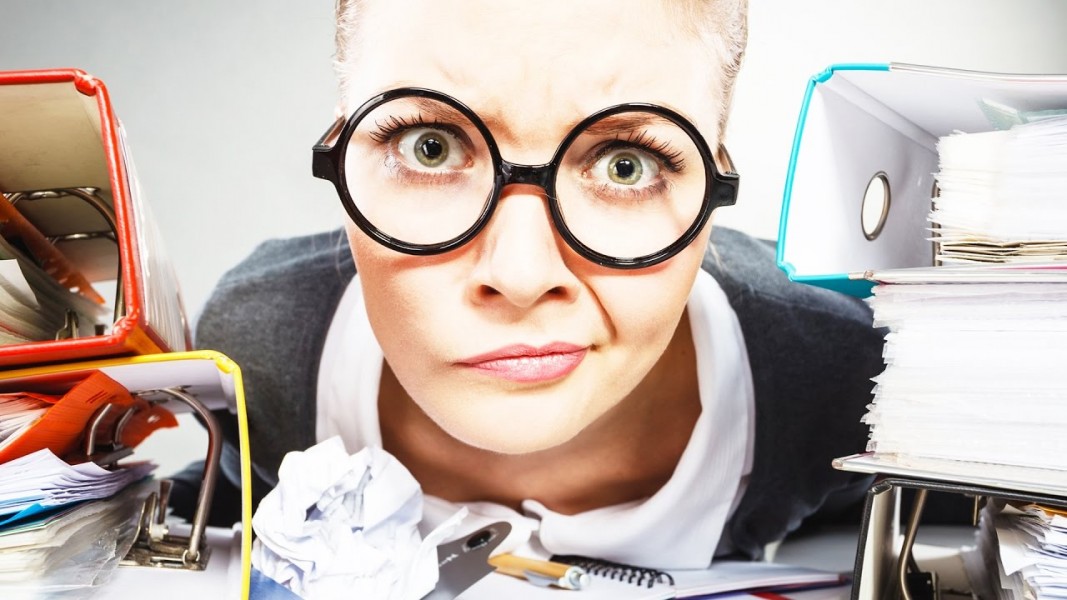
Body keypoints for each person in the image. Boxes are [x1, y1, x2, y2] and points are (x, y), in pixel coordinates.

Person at [183, 0, 885, 568]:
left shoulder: (846, 373)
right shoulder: (257, 361)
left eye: (625, 163)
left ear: (715, 182)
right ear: (342, 155)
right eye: (431, 147)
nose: (521, 276)